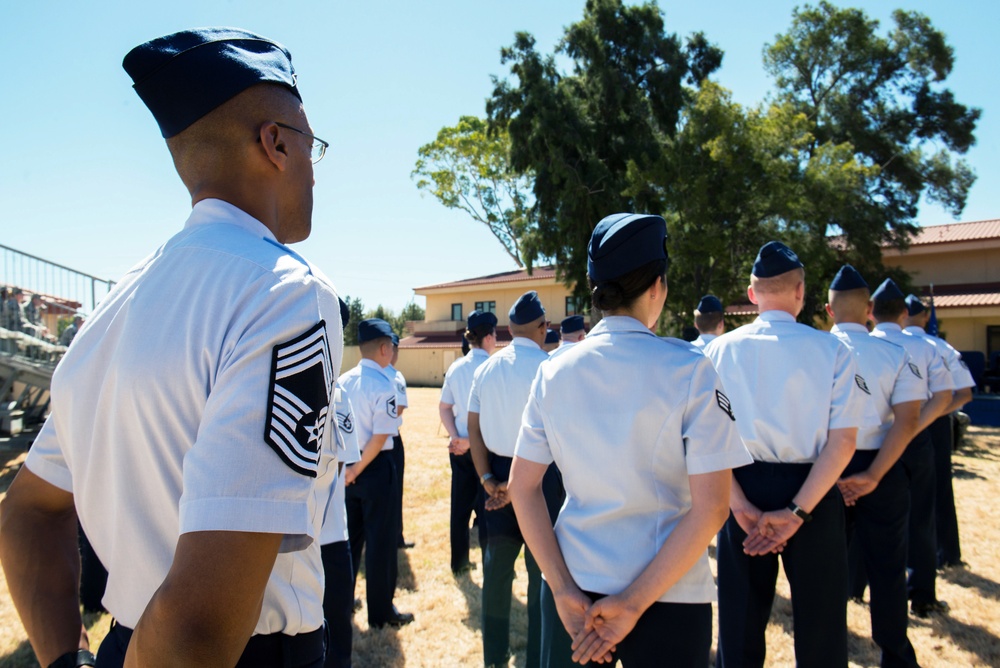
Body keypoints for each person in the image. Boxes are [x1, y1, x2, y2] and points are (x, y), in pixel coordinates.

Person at [0, 27, 342, 668]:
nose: (313, 170)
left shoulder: (116, 308)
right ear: (274, 142)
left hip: (125, 645)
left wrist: (64, 660)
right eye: (310, 145)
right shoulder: (283, 292)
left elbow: (26, 515)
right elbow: (198, 623)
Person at [509, 213, 751, 668]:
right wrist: (634, 603)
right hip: (671, 593)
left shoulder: (553, 372)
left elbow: (522, 488)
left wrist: (560, 588)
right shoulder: (689, 369)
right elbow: (714, 507)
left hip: (576, 592)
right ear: (657, 286)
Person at [705, 241, 869, 668]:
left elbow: (704, 440)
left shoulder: (717, 351)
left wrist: (739, 506)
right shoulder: (834, 350)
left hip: (739, 485)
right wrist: (797, 512)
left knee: (738, 630)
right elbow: (843, 442)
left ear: (752, 293)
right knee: (822, 632)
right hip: (813, 490)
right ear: (800, 292)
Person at [826, 265, 924, 667]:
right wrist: (874, 476)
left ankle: (825, 653)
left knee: (825, 573)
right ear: (869, 309)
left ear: (828, 310)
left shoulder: (815, 351)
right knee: (887, 569)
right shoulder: (896, 353)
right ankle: (896, 655)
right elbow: (909, 420)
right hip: (880, 465)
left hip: (825, 469)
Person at [468, 290, 564, 668]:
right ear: (542, 328)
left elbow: (473, 428)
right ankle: (539, 657)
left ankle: (494, 656)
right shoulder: (551, 367)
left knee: (496, 573)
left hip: (496, 476)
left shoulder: (486, 367)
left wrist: (489, 478)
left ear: (509, 329)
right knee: (543, 575)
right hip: (543, 479)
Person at [869, 281, 954, 617]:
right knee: (920, 520)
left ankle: (854, 589)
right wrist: (912, 429)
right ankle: (922, 596)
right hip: (915, 443)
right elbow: (944, 397)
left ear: (870, 312)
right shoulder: (928, 347)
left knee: (862, 521)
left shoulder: (853, 345)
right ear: (904, 313)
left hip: (870, 443)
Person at [339, 318, 413, 629]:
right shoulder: (384, 384)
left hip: (346, 472)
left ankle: (343, 602)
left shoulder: (343, 381)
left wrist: (348, 469)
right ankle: (381, 613)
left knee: (348, 542)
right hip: (373, 467)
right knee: (380, 544)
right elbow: (381, 436)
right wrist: (358, 468)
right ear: (384, 349)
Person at [903, 294, 975, 568]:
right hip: (936, 424)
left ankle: (915, 555)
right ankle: (947, 552)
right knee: (940, 490)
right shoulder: (940, 347)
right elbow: (965, 394)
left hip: (898, 425)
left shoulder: (888, 344)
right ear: (924, 317)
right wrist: (933, 414)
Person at [439, 309, 497, 574]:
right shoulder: (493, 368)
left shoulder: (456, 367)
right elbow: (494, 416)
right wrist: (469, 442)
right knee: (488, 512)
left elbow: (444, 407)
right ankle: (491, 564)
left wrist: (456, 437)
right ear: (488, 337)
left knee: (459, 510)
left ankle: (459, 563)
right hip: (485, 451)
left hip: (460, 450)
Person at [319, 382, 363, 668]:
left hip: (325, 533)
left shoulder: (338, 392)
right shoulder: (335, 391)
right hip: (328, 531)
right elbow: (342, 464)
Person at [384, 334, 414, 549]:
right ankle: (394, 537)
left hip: (365, 441)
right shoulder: (395, 376)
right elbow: (398, 409)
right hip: (390, 439)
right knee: (393, 492)